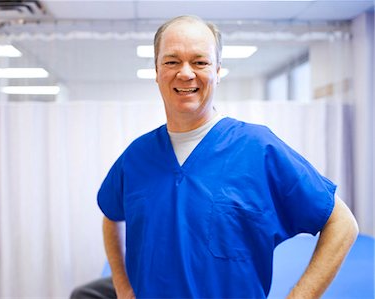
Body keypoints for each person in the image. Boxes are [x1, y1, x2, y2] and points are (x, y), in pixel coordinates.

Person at [72, 15, 358, 299]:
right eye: (172, 61)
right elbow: (111, 214)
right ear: (157, 71)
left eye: (200, 62)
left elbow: (342, 224)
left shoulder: (258, 149)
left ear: (218, 71)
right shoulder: (136, 157)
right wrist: (123, 288)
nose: (185, 73)